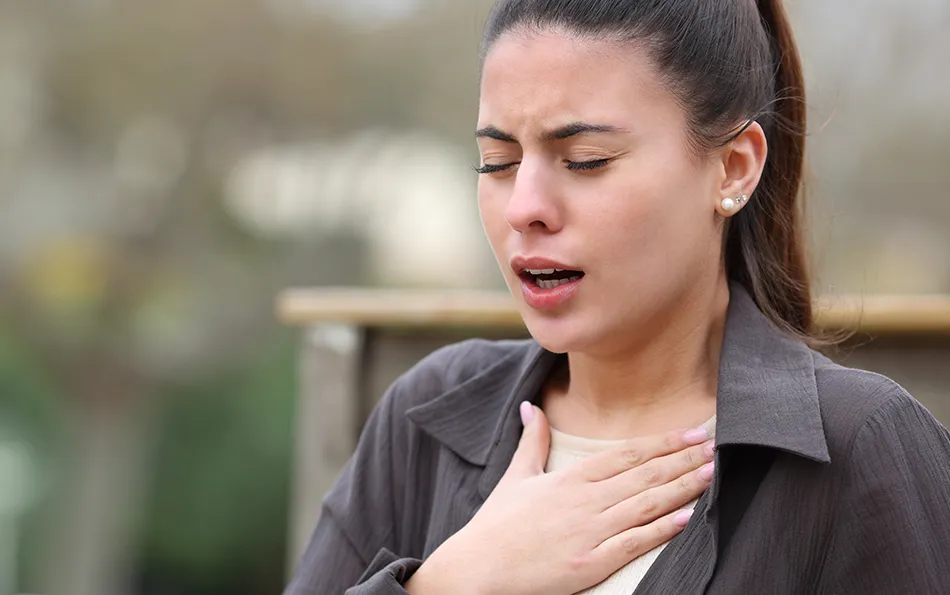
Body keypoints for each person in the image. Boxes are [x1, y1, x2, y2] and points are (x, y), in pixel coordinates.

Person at [284, 0, 950, 593]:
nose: (524, 207)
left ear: (734, 166)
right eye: (498, 162)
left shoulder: (860, 449)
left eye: (585, 161)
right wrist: (452, 582)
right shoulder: (425, 419)